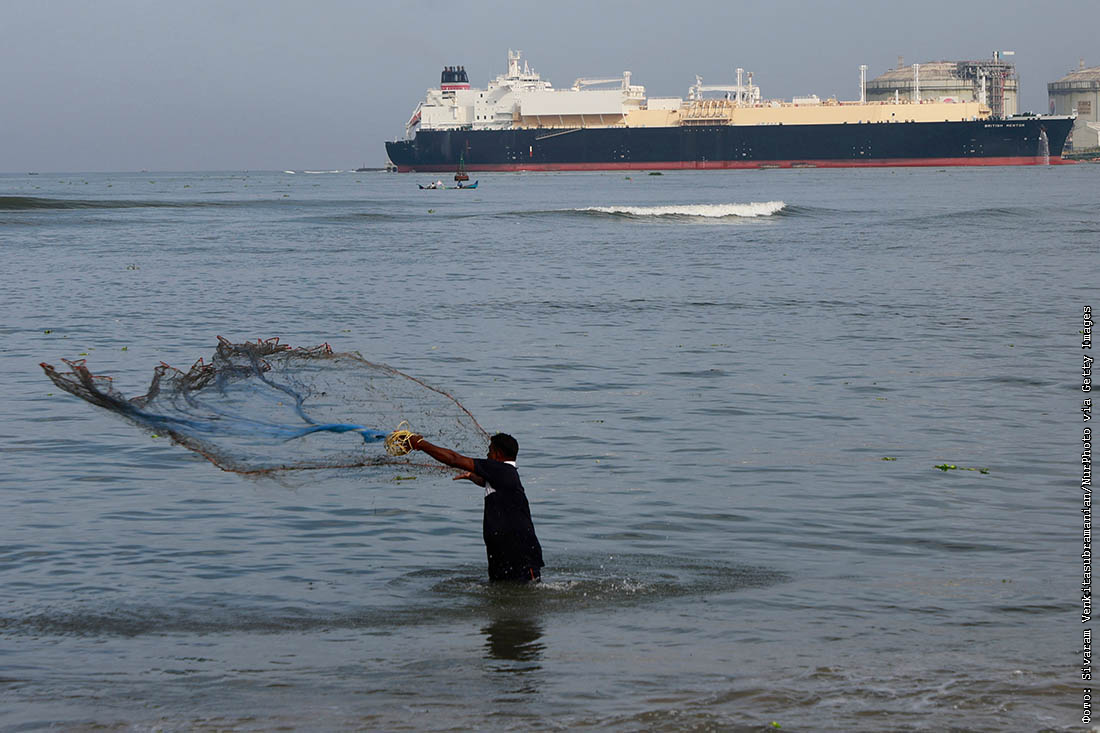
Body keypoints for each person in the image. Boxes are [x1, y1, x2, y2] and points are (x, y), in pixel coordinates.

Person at [408, 432, 544, 582]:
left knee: (527, 589)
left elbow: (454, 459)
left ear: (498, 454)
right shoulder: (504, 474)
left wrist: (419, 444)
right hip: (504, 550)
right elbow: (488, 483)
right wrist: (471, 476)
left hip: (519, 551)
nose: (487, 455)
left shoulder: (500, 469)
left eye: (489, 450)